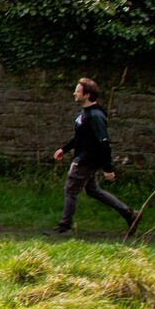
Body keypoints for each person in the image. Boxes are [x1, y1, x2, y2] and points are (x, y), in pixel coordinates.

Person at [46, 77, 141, 238]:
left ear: (88, 94)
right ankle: (129, 214)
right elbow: (80, 138)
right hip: (85, 158)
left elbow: (103, 142)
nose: (74, 93)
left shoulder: (96, 115)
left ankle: (64, 227)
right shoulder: (86, 113)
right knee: (93, 190)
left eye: (78, 90)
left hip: (86, 160)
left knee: (71, 190)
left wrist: (108, 168)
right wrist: (65, 149)